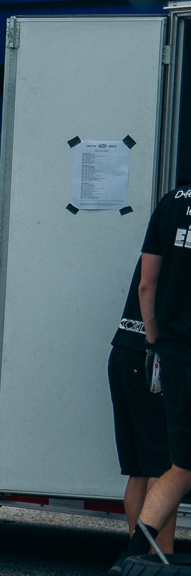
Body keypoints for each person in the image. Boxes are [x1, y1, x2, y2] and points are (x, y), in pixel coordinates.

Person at [132, 184, 191, 554]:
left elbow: (146, 283)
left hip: (176, 353)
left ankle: (132, 559)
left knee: (182, 465)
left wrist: (155, 342)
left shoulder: (172, 201)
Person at [110, 254, 169, 533]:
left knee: (140, 469)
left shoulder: (164, 225)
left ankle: (138, 556)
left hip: (124, 350)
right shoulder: (177, 235)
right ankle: (156, 558)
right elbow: (147, 286)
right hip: (148, 356)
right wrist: (155, 342)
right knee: (163, 466)